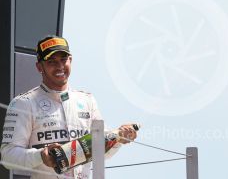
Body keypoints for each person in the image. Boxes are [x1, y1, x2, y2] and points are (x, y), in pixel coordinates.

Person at [1, 35, 138, 179]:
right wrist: (41, 155)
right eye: (52, 62)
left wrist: (118, 139)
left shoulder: (87, 101)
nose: (59, 66)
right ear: (39, 67)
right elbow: (8, 156)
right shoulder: (24, 103)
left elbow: (98, 151)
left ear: (70, 60)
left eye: (63, 60)